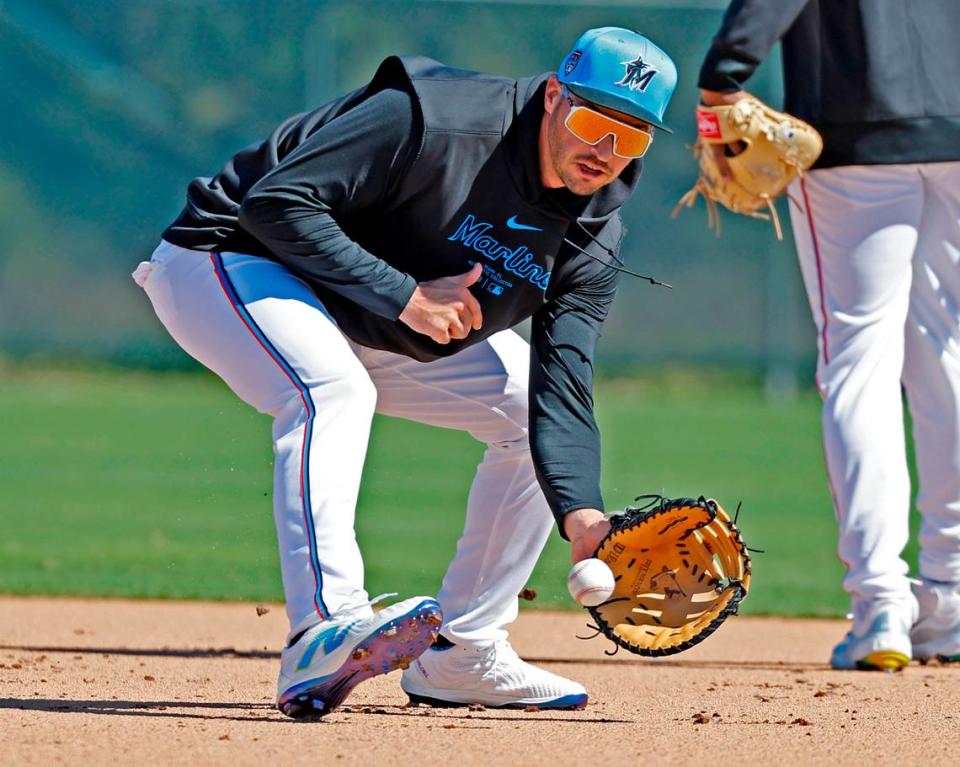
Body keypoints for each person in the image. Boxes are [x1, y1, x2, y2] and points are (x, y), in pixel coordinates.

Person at [133, 27, 677, 715]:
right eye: (595, 120)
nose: (606, 149)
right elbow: (275, 203)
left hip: (359, 314)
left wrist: (584, 516)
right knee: (332, 388)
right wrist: (404, 295)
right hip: (229, 256)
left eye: (632, 137)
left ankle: (466, 651)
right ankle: (322, 627)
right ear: (551, 97)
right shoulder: (435, 119)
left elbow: (561, 382)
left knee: (518, 408)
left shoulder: (593, 233)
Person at [697, 0, 960, 670]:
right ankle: (952, 594)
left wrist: (722, 80)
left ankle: (879, 605)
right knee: (948, 355)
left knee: (859, 363)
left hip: (855, 132)